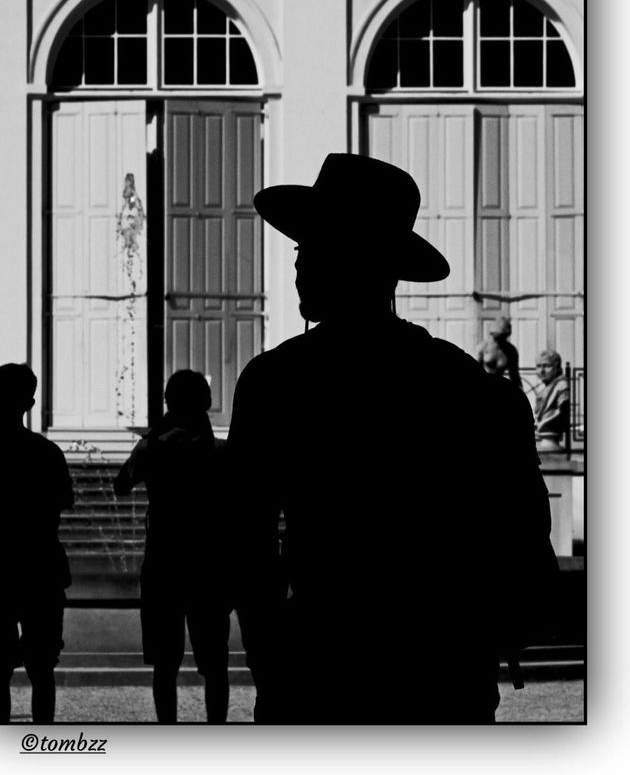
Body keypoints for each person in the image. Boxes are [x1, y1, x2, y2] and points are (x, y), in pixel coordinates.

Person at [227, 153, 558, 724]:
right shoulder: (473, 390)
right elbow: (524, 546)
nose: (298, 266)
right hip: (443, 675)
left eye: (310, 249)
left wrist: (271, 658)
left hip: (321, 672)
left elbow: (243, 541)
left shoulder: (276, 382)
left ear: (350, 257)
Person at [114, 370, 231, 723]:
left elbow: (121, 485)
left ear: (168, 403)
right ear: (206, 403)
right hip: (208, 562)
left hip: (163, 562)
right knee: (215, 663)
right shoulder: (220, 452)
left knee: (165, 664)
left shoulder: (153, 447)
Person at [0, 363, 74, 724]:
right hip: (41, 567)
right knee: (42, 668)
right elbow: (64, 500)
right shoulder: (47, 452)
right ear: (31, 403)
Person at [534, 349, 570, 448]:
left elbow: (562, 408)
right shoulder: (545, 389)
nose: (541, 371)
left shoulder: (562, 387)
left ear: (557, 367)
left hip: (551, 439)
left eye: (546, 366)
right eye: (538, 366)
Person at [476, 317, 522, 390]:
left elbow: (514, 376)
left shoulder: (511, 351)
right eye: (496, 337)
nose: (498, 340)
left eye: (502, 336)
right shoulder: (483, 347)